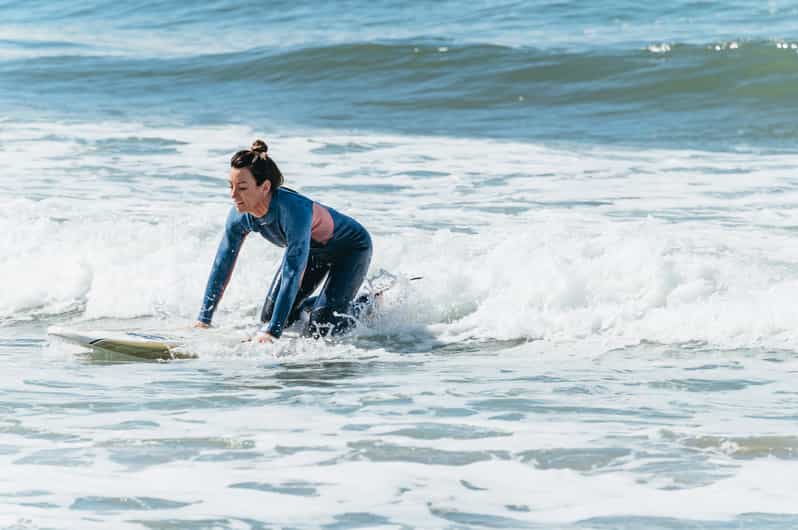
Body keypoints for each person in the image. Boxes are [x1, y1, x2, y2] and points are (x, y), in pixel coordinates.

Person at [194, 139, 372, 343]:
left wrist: (272, 333)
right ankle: (317, 304)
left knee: (322, 329)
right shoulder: (239, 216)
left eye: (242, 188)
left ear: (265, 187)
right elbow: (222, 264)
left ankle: (366, 302)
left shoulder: (293, 211)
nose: (233, 195)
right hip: (313, 253)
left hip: (350, 249)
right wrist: (204, 319)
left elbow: (293, 271)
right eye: (231, 186)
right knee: (270, 318)